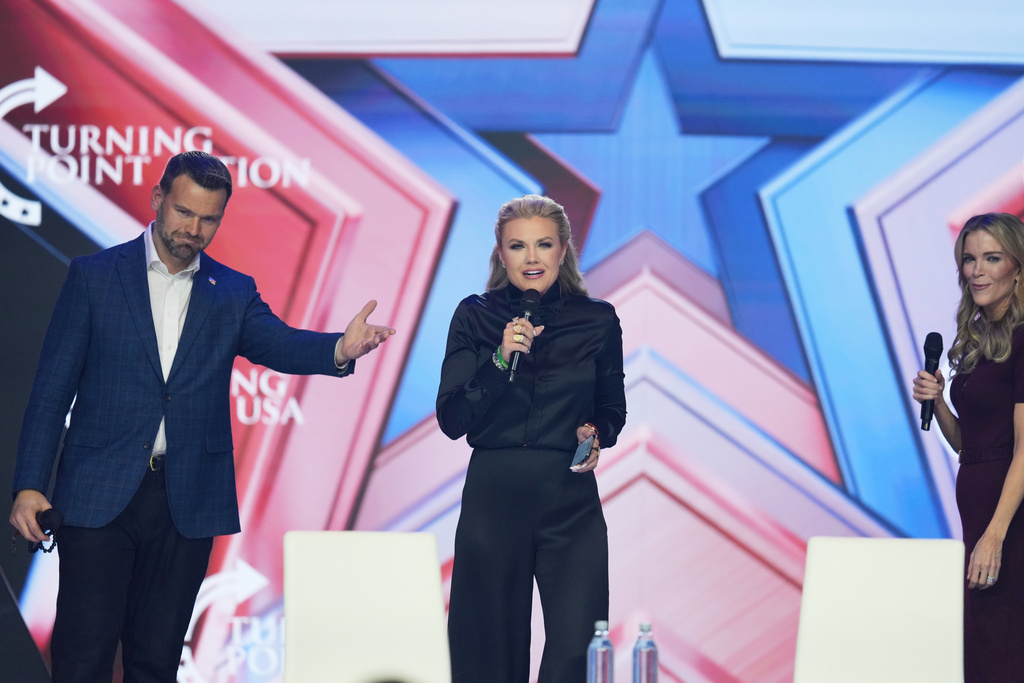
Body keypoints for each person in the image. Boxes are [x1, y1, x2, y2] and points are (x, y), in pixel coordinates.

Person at [8, 151, 396, 683]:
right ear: (158, 199)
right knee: (81, 659)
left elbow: (280, 344)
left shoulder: (232, 291)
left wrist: (339, 349)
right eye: (184, 212)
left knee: (156, 662)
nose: (193, 229)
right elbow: (52, 390)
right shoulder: (94, 277)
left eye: (208, 219)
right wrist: (30, 485)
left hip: (186, 501)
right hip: (98, 494)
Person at [436, 194, 626, 682]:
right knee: (486, 651)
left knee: (579, 645)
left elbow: (612, 408)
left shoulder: (599, 319)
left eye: (544, 244)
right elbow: (453, 418)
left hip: (569, 498)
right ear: (501, 254)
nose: (532, 257)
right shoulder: (474, 315)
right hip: (494, 498)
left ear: (563, 249)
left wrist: (596, 432)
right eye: (518, 246)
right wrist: (500, 359)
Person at [912, 212, 1024, 682]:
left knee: (1005, 650)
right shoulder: (983, 339)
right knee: (985, 649)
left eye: (992, 258)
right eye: (969, 259)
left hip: (1009, 522)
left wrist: (994, 536)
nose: (977, 270)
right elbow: (971, 446)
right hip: (979, 516)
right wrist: (938, 402)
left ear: (1017, 268)